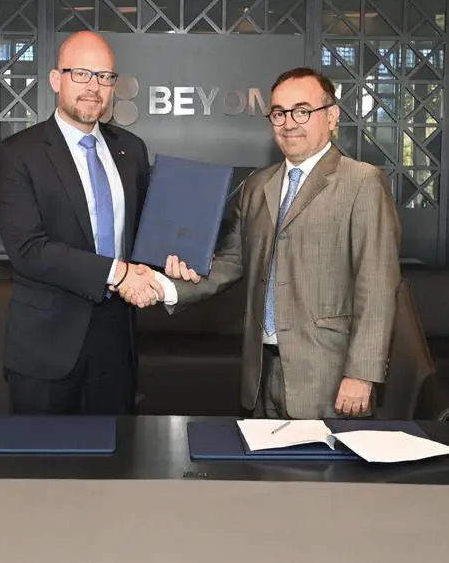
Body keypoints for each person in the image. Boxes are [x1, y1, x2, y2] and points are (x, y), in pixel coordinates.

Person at [129, 67, 401, 419]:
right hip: (260, 372)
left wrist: (361, 374)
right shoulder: (258, 185)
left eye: (302, 111)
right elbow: (232, 262)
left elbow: (377, 285)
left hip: (329, 378)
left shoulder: (363, 182)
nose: (289, 123)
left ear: (332, 116)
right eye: (279, 113)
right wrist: (162, 286)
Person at [0, 31, 164, 415]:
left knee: (116, 450)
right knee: (43, 454)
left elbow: (144, 232)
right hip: (46, 346)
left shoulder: (130, 149)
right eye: (81, 74)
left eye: (104, 76)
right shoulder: (17, 154)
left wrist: (176, 258)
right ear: (57, 80)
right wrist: (118, 273)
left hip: (117, 340)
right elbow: (28, 250)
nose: (93, 87)